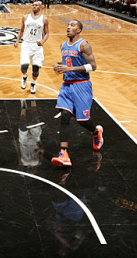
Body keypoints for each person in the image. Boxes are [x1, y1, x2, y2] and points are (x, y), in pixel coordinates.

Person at [51, 20, 103, 167]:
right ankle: (63, 153)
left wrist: (70, 69)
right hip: (66, 86)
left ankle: (96, 133)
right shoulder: (63, 45)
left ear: (79, 30)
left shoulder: (84, 45)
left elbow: (93, 67)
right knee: (65, 116)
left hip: (82, 86)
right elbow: (66, 62)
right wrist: (57, 65)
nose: (68, 27)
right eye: (68, 25)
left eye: (73, 25)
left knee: (82, 120)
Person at [14, 1, 49, 94]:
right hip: (26, 44)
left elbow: (47, 33)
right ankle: (24, 77)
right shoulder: (25, 17)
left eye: (36, 5)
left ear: (40, 7)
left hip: (37, 45)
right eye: (33, 5)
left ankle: (33, 84)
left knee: (36, 68)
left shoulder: (44, 19)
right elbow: (21, 30)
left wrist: (42, 41)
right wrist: (17, 41)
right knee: (24, 67)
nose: (34, 6)